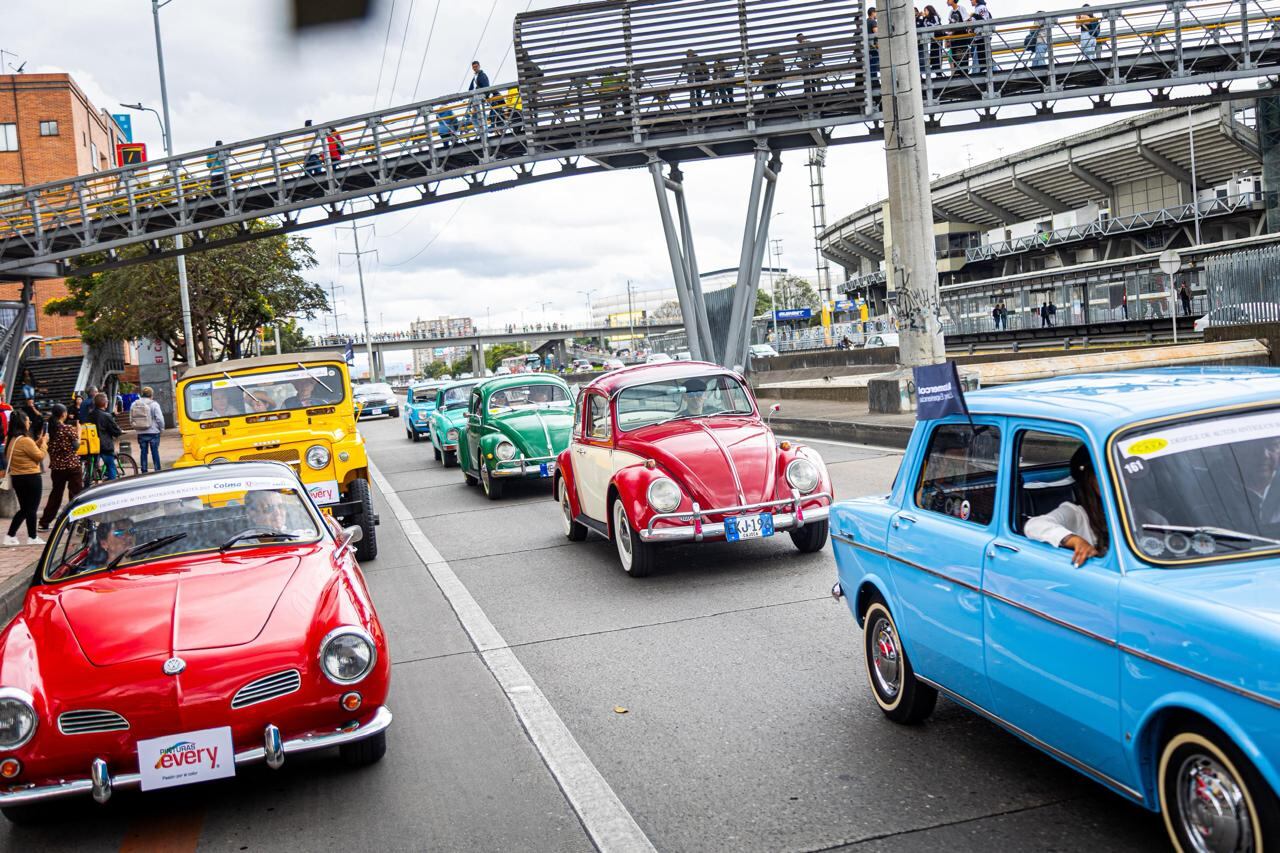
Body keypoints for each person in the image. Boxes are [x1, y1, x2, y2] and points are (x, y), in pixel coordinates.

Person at [1025, 446, 1108, 566]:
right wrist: (1075, 540)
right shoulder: (1077, 513)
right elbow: (1034, 525)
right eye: (1102, 474)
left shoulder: (1134, 506)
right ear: (1089, 478)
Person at [3, 411, 47, 545]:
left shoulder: (12, 439)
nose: (30, 423)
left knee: (24, 509)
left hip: (18, 478)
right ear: (22, 423)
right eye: (28, 421)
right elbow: (39, 456)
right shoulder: (25, 440)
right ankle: (32, 537)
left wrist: (38, 441)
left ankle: (10, 535)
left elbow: (28, 451)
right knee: (31, 508)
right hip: (31, 477)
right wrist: (44, 443)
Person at [39, 404, 82, 531]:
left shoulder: (49, 430)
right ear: (63, 414)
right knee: (75, 494)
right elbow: (76, 446)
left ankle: (44, 522)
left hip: (57, 467)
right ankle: (73, 522)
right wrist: (79, 432)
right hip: (72, 466)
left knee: (55, 495)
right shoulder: (67, 428)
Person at [86, 392, 123, 480]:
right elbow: (115, 430)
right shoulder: (106, 415)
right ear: (105, 403)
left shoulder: (90, 414)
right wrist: (119, 431)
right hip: (104, 445)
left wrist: (112, 415)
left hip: (92, 444)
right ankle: (111, 487)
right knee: (111, 467)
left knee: (93, 464)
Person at [130, 386, 164, 473]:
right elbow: (159, 418)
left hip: (141, 432)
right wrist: (161, 428)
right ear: (151, 395)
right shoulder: (154, 404)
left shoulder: (134, 404)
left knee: (143, 452)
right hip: (154, 432)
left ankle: (144, 470)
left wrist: (136, 427)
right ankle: (157, 470)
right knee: (155, 451)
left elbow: (131, 419)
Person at [945, 0, 972, 73]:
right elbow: (950, 25)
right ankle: (958, 74)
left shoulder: (961, 8)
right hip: (954, 39)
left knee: (963, 58)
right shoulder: (951, 12)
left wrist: (969, 31)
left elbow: (968, 20)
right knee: (955, 59)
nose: (947, 1)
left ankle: (964, 74)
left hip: (962, 38)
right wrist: (948, 37)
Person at [969, 0, 993, 74]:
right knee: (981, 52)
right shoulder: (978, 8)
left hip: (983, 34)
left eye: (971, 0)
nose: (970, 1)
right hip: (981, 34)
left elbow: (984, 19)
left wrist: (973, 17)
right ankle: (984, 68)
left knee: (983, 52)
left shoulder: (981, 7)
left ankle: (985, 69)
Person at [919, 5, 943, 75]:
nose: (924, 12)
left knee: (937, 53)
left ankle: (938, 72)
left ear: (929, 10)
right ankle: (935, 69)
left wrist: (929, 23)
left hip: (938, 37)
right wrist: (921, 17)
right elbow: (923, 26)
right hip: (931, 39)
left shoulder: (935, 16)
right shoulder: (925, 19)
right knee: (932, 53)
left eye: (925, 10)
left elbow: (937, 25)